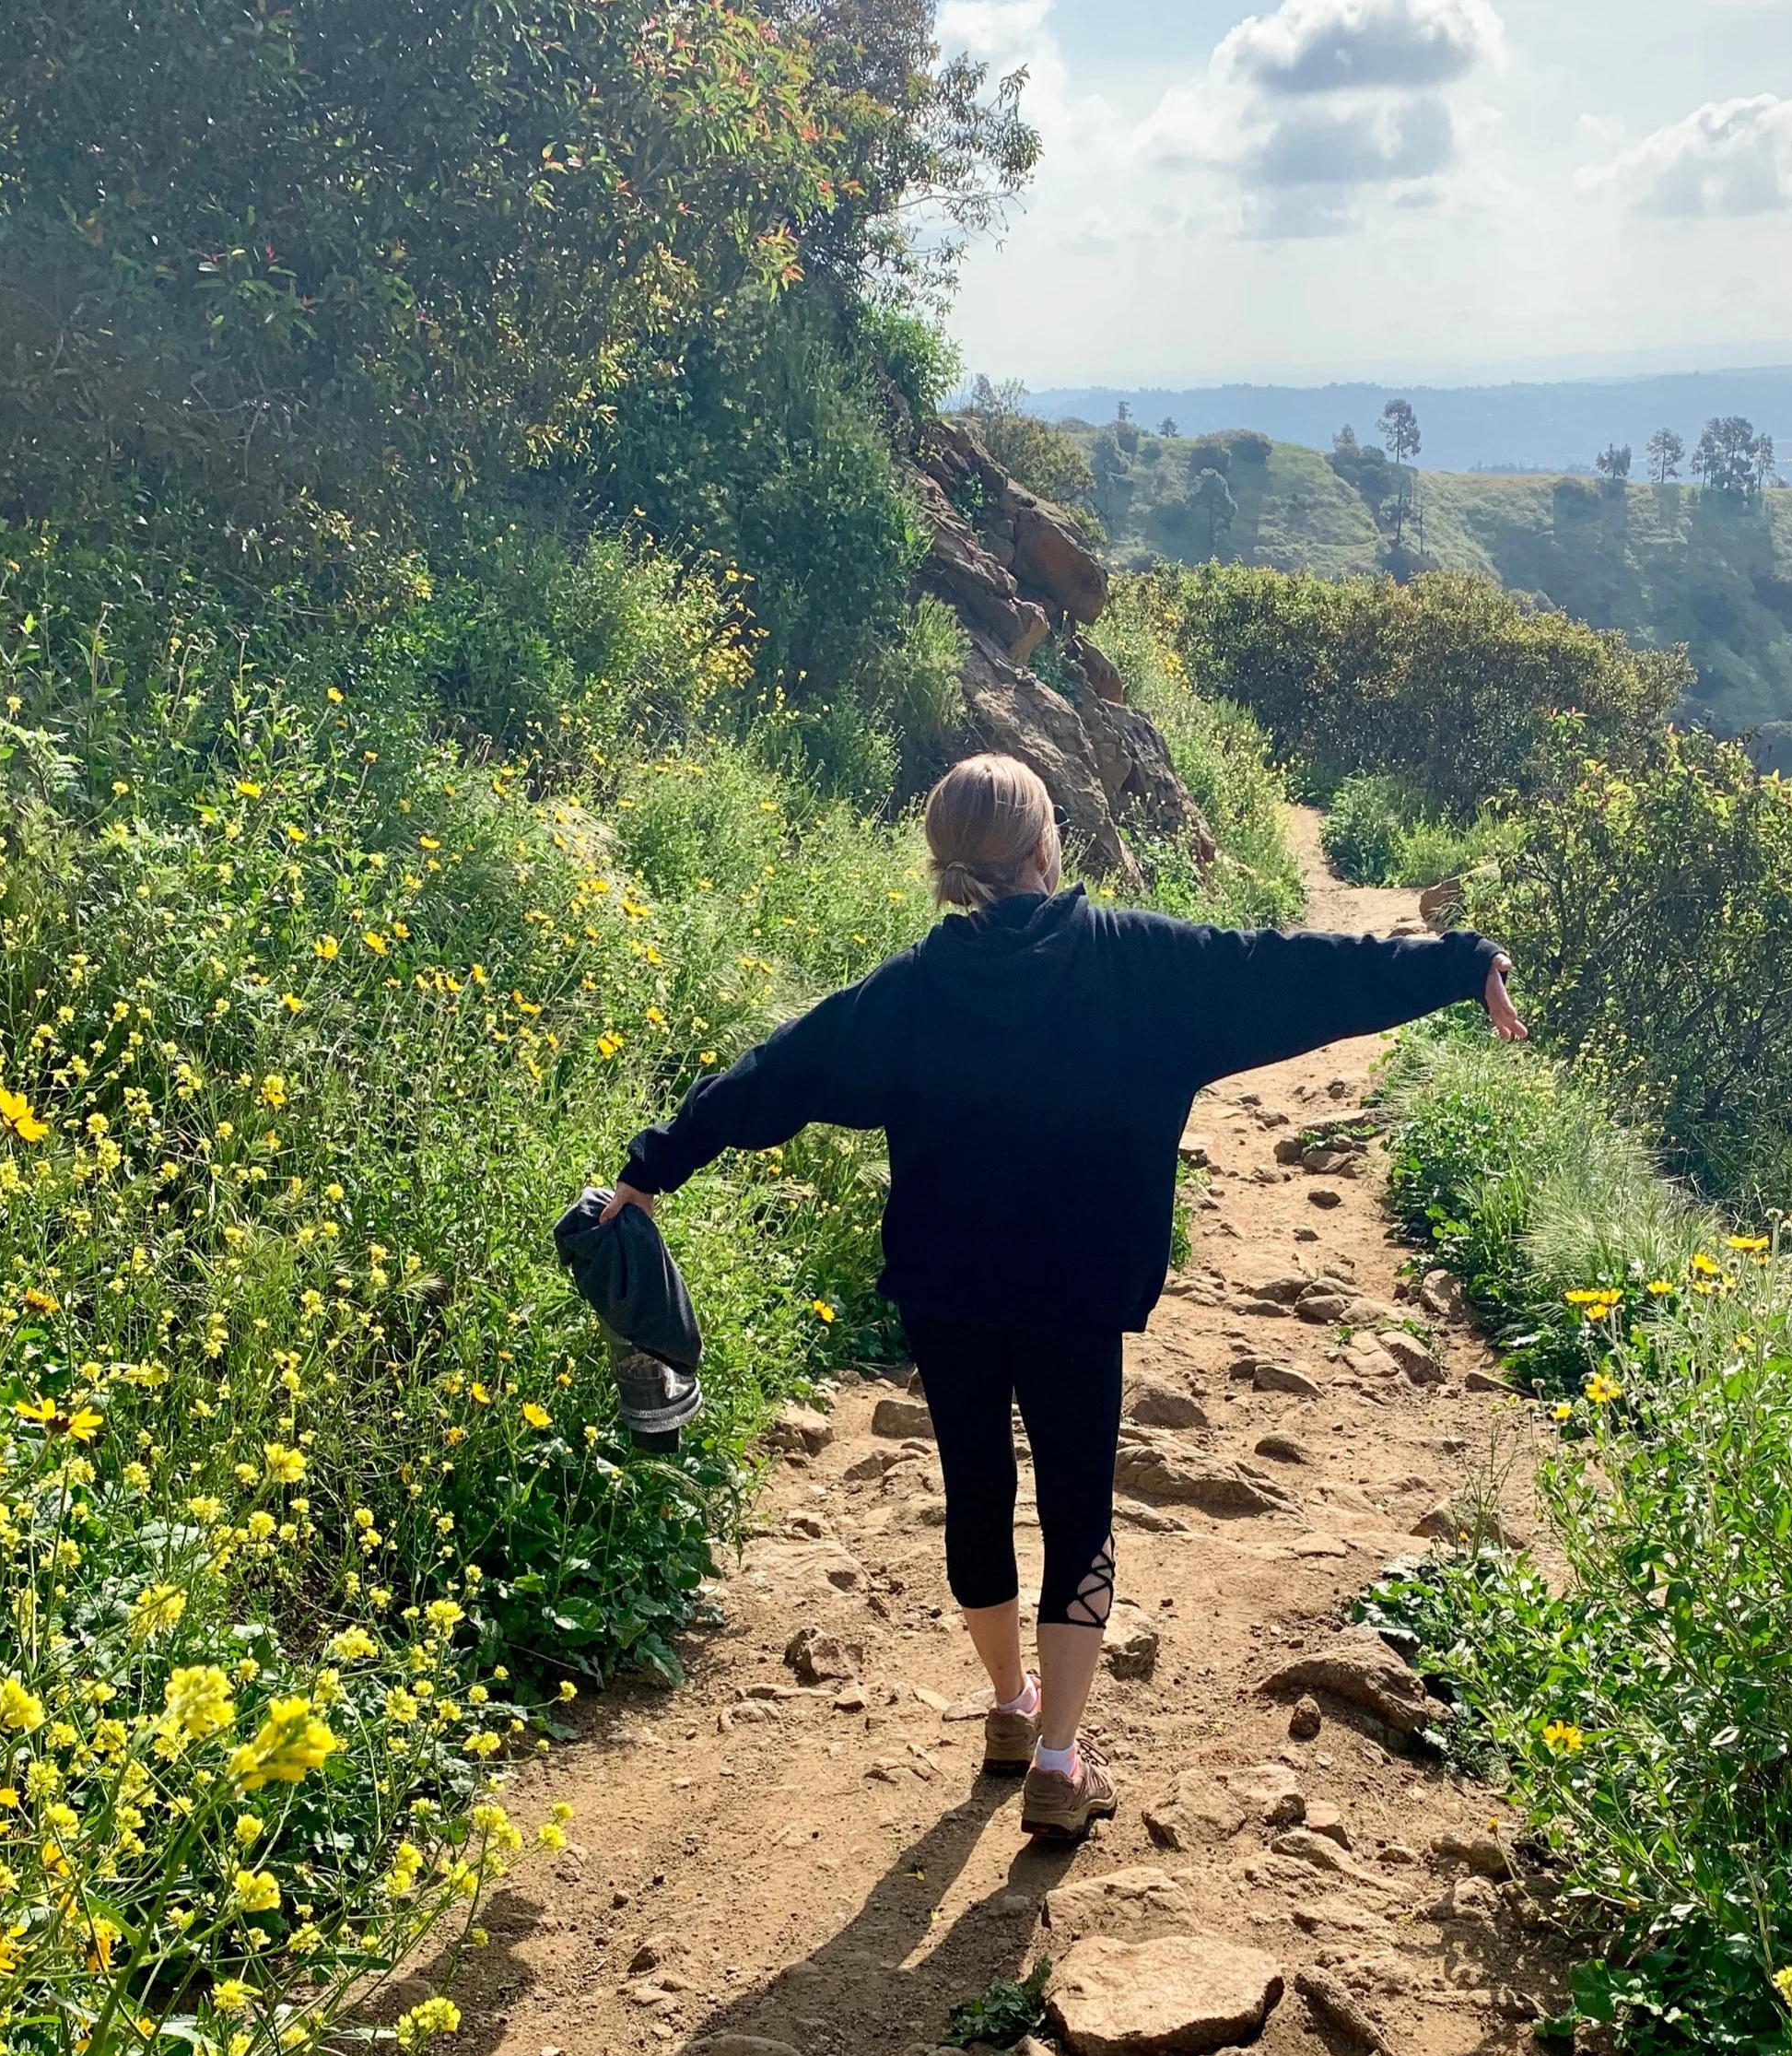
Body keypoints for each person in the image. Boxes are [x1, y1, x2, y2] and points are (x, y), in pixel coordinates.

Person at [602, 753, 1526, 1843]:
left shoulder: (907, 991)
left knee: (976, 1490)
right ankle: (1057, 1760)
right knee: (1078, 1509)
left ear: (944, 866)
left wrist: (648, 1171)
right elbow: (1297, 970)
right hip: (1079, 1292)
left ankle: (1007, 1708)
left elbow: (776, 1073)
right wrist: (1461, 962)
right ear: (1049, 846)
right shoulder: (1144, 963)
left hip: (948, 1290)